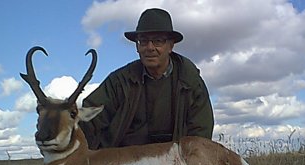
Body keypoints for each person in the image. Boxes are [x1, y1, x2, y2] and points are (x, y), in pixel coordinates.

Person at [80, 8, 214, 149]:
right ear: (137, 47)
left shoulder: (190, 81)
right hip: (124, 161)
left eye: (158, 41)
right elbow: (90, 120)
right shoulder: (119, 82)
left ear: (171, 46)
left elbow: (201, 133)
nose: (149, 47)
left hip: (175, 160)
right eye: (143, 41)